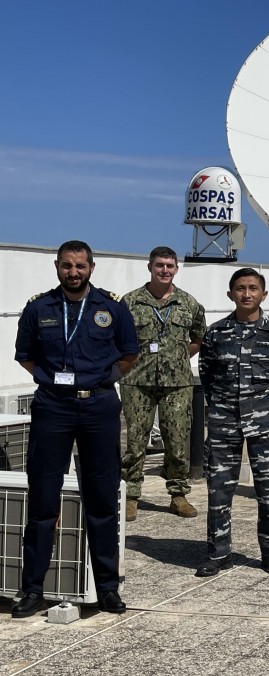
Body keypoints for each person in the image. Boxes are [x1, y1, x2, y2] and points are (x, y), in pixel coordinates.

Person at [12, 240, 138, 617]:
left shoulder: (112, 307)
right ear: (57, 266)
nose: (73, 272)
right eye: (67, 265)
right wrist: (51, 382)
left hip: (99, 405)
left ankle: (108, 588)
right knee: (43, 500)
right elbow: (25, 356)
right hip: (54, 407)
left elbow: (130, 353)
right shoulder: (39, 308)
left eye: (80, 266)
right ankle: (32, 589)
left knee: (101, 500)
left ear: (91, 267)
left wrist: (104, 379)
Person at [196, 268, 269, 577]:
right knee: (219, 490)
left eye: (253, 288)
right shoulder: (216, 333)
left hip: (266, 424)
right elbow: (207, 374)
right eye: (240, 288)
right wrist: (222, 406)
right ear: (231, 294)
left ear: (263, 294)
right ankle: (219, 553)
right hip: (224, 422)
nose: (247, 293)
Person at [121, 246, 207, 522]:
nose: (165, 270)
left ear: (176, 269)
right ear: (150, 267)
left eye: (170, 265)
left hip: (177, 383)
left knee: (177, 440)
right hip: (137, 380)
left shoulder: (189, 303)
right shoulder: (129, 302)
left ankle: (178, 494)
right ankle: (131, 495)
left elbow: (197, 338)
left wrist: (177, 358)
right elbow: (118, 340)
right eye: (160, 265)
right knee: (135, 441)